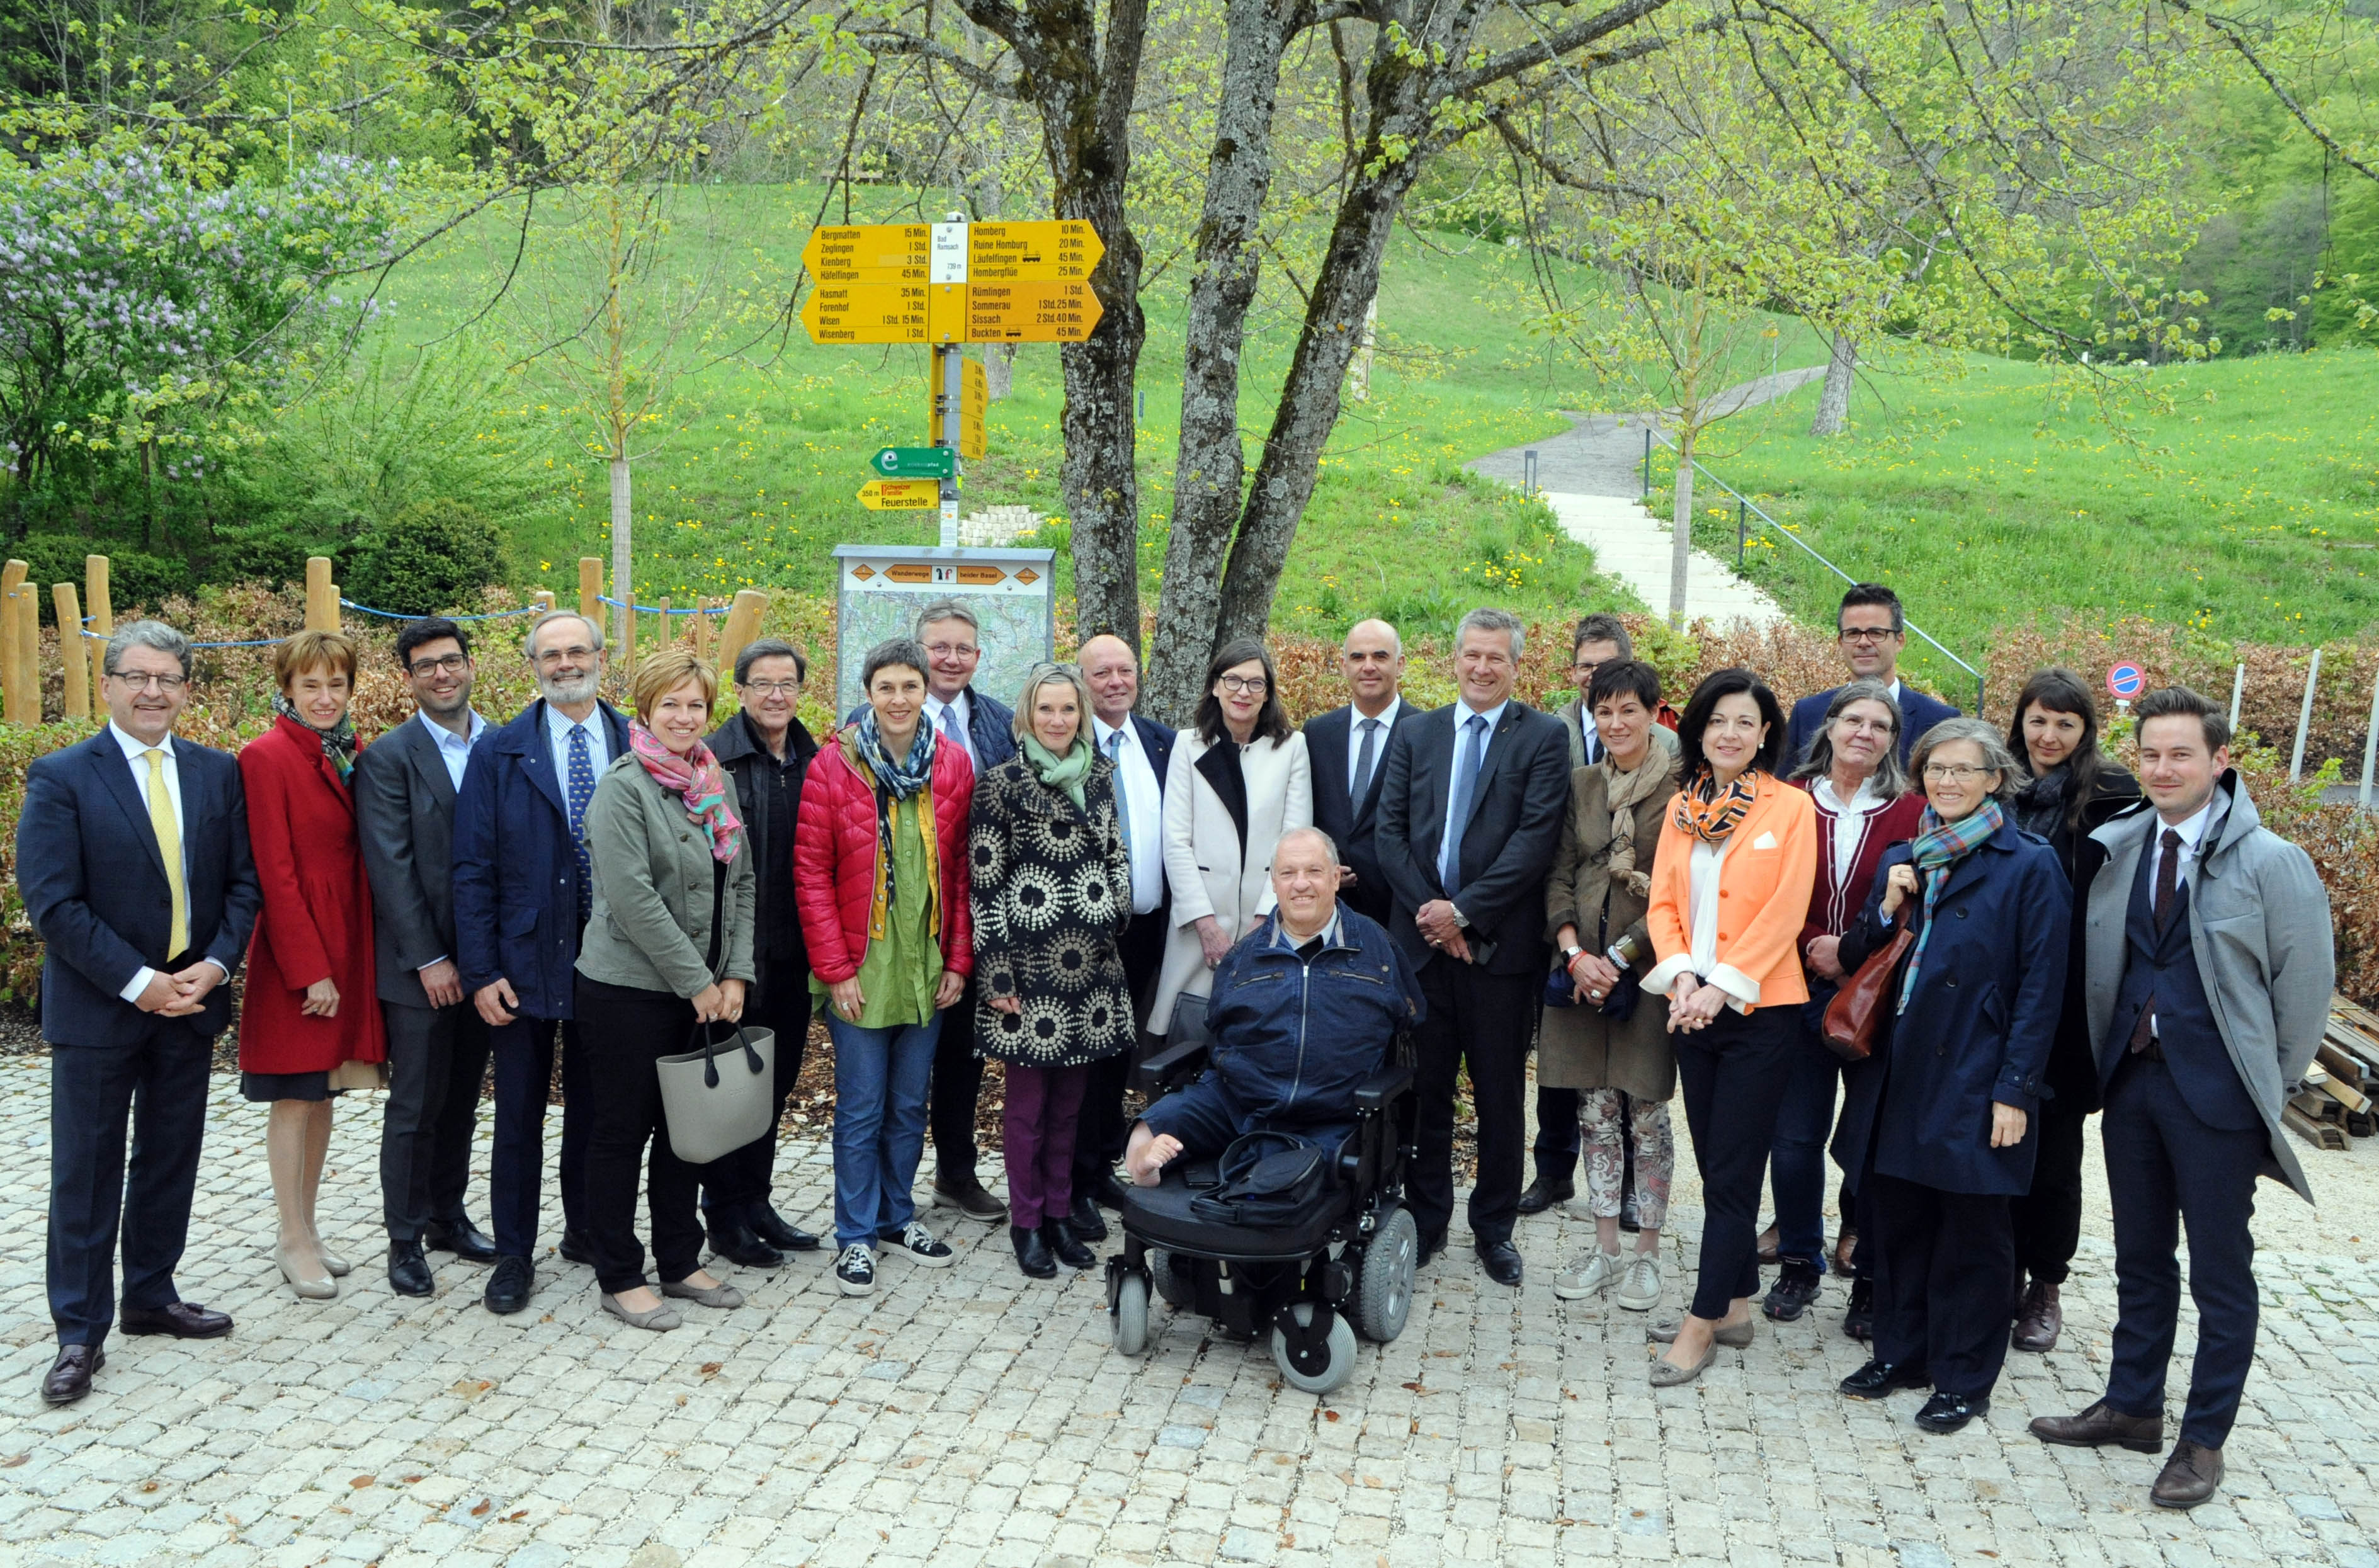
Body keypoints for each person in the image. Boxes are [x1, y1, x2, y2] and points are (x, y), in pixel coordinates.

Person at [2030, 686, 2334, 1510]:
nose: (2163, 769)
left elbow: (2303, 994)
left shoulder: (2270, 861)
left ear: (2218, 761)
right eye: (2152, 754)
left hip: (2218, 1095)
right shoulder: (2116, 844)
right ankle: (2131, 1403)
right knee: (2138, 1257)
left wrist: (2258, 1080)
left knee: (2219, 1274)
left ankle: (2203, 1439)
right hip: (2131, 1081)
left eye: (2181, 755)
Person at [18, 621, 259, 1406]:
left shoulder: (218, 773)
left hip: (192, 1004)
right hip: (100, 1010)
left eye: (168, 679)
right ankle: (79, 1333)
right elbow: (53, 903)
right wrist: (138, 982)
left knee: (168, 1158)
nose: (153, 691)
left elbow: (243, 887)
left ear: (187, 689)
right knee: (85, 1175)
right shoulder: (61, 776)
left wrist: (215, 966)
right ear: (111, 684)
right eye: (137, 677)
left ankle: (150, 1297)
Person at [1832, 718, 2067, 1435]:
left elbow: (2041, 986)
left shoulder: (2028, 863)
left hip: (1975, 1070)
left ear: (1995, 779)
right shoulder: (1905, 856)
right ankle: (1902, 1354)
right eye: (1936, 769)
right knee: (1897, 1221)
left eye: (1964, 770)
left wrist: (2014, 1089)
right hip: (1900, 1068)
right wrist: (1886, 904)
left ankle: (1965, 1377)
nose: (1948, 782)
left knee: (1973, 1232)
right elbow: (1860, 956)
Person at [1375, 608, 1570, 1287]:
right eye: (1472, 656)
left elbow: (1534, 841)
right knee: (1425, 1095)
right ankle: (1428, 1222)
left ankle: (1493, 1229)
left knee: (1496, 1099)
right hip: (1423, 955)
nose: (1482, 668)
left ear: (1517, 665)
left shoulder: (1544, 737)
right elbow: (1389, 834)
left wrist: (1463, 913)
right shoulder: (1416, 732)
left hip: (1498, 956)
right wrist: (1434, 917)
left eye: (1497, 658)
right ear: (1452, 659)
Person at [1640, 668, 1817, 1385]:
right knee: (1719, 1165)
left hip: (1759, 1012)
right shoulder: (1683, 806)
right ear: (1698, 732)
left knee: (1734, 1176)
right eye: (1717, 721)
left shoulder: (1789, 808)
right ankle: (1737, 1305)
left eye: (1744, 721)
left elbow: (1785, 912)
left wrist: (1719, 987)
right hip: (1691, 1009)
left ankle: (1700, 1322)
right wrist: (1683, 975)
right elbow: (1661, 904)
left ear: (1765, 732)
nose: (1729, 733)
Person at [572, 646, 757, 1331]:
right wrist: (697, 984)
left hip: (707, 987)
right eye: (670, 704)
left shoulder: (715, 780)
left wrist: (734, 971)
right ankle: (619, 1274)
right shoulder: (623, 788)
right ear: (646, 710)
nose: (684, 716)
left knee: (690, 1135)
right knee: (622, 1133)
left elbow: (741, 881)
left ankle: (680, 1260)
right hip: (628, 991)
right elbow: (632, 900)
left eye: (696, 704)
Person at [452, 610, 631, 1315]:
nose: (565, 664)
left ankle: (586, 1231)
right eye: (550, 655)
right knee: (519, 1117)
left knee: (599, 1111)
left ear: (600, 657)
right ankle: (513, 1255)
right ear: (533, 666)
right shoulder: (499, 752)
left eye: (576, 651)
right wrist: (480, 971)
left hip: (613, 965)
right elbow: (470, 871)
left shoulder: (634, 740)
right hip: (521, 965)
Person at [798, 637, 972, 1297]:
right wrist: (835, 969)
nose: (898, 700)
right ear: (867, 694)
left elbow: (960, 870)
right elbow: (811, 873)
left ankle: (899, 1217)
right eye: (885, 688)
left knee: (908, 1104)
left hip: (925, 966)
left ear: (926, 692)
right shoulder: (834, 767)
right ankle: (855, 1235)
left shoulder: (951, 766)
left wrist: (958, 959)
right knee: (862, 1107)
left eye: (909, 687)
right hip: (862, 966)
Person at [1127, 827, 1422, 1182]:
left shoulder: (1378, 950)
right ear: (1275, 884)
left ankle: (1262, 1183)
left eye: (1313, 871)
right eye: (1288, 873)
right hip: (1239, 1102)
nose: (1301, 884)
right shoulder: (1243, 956)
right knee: (1152, 1128)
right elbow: (1218, 1029)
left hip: (1329, 1113)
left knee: (1289, 1185)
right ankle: (1146, 1168)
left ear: (1334, 878)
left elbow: (1410, 1020)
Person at [968, 662, 1135, 1279]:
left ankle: (1062, 1214)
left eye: (1069, 710)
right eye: (1047, 710)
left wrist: (1115, 906)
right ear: (1027, 716)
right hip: (1029, 973)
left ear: (1082, 715)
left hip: (1091, 970)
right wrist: (997, 975)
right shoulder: (1002, 783)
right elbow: (984, 884)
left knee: (1072, 1107)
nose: (1058, 720)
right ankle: (1028, 1221)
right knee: (1027, 1110)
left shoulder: (1099, 775)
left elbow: (1116, 850)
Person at [236, 628, 388, 1302]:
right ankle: (290, 1237)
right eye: (311, 686)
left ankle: (309, 1227)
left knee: (325, 1090)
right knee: (294, 1094)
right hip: (302, 947)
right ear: (287, 690)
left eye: (337, 685)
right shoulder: (265, 756)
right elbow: (274, 870)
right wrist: (308, 969)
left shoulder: (351, 749)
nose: (326, 698)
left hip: (350, 935)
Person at [1768, 680, 1923, 1331]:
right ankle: (1798, 1262)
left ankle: (1868, 1275)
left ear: (1893, 740)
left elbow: (1917, 903)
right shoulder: (1788, 801)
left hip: (1877, 997)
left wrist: (1854, 953)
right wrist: (1814, 946)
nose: (1865, 732)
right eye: (1852, 720)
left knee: (1868, 1141)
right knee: (1795, 1138)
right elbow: (1763, 891)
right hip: (1797, 988)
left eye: (1879, 725)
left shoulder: (1912, 811)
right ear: (1828, 727)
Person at [353, 616, 498, 1301]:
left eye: (451, 662)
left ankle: (448, 1217)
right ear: (409, 680)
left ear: (471, 666)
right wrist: (430, 959)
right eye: (426, 667)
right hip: (424, 970)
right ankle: (404, 1240)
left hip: (489, 966)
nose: (442, 675)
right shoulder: (388, 758)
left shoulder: (501, 744)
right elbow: (391, 869)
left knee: (463, 1100)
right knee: (415, 1105)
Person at [1523, 613, 1682, 1217]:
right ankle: (1604, 1227)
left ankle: (1647, 1229)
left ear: (1653, 713)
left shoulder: (1678, 786)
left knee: (1643, 1109)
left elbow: (1676, 886)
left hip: (1644, 963)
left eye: (1629, 711)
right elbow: (1559, 869)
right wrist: (1574, 953)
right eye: (1604, 711)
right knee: (1591, 1106)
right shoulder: (1583, 783)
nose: (1615, 723)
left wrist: (1618, 958)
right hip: (1579, 961)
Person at [2002, 668, 2139, 1353]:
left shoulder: (2112, 798)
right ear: (2019, 721)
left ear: (2085, 730)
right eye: (2037, 719)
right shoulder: (1994, 786)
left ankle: (2044, 1285)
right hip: (1996, 998)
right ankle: (1995, 1270)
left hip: (2067, 1008)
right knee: (1989, 1143)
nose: (2048, 735)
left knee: (2053, 1156)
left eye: (2065, 723)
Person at [700, 637, 824, 1267]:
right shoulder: (714, 760)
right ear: (741, 690)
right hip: (734, 963)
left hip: (795, 956)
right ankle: (723, 1216)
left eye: (787, 685)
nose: (776, 696)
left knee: (773, 1087)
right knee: (732, 1093)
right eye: (763, 684)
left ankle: (757, 1201)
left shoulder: (815, 758)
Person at [1148, 638, 1314, 1038]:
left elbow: (1294, 843)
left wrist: (1265, 921)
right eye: (1233, 680)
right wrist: (1205, 924)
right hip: (1198, 921)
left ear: (1268, 693)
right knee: (1189, 1037)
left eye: (1256, 683)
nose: (1244, 692)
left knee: (1258, 1033)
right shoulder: (1187, 746)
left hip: (1268, 920)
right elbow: (1175, 841)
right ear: (1215, 686)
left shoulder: (1291, 748)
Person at [913, 598, 1018, 1226]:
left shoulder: (1001, 725)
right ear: (918, 650)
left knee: (961, 1053)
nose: (951, 659)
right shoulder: (877, 717)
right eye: (939, 646)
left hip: (975, 915)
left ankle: (956, 1172)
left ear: (978, 658)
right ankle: (882, 1181)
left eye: (963, 649)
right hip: (899, 917)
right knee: (896, 1055)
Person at [1072, 632, 1176, 1238]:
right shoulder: (1064, 743)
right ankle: (1074, 1179)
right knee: (1083, 1059)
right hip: (1080, 936)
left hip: (1146, 929)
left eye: (1125, 670)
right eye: (1102, 672)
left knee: (1118, 1055)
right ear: (1083, 682)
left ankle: (1102, 1161)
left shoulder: (1160, 742)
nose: (1116, 681)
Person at [1304, 618, 1417, 929]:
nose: (1368, 666)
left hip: (1399, 910)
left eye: (1380, 656)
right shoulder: (1317, 733)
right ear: (1343, 666)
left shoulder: (1427, 733)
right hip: (1327, 909)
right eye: (1358, 657)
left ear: (1401, 664)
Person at [1781, 584, 1960, 771]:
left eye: (1876, 633)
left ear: (1900, 641)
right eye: (1853, 633)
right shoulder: (1808, 713)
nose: (1863, 642)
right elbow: (1785, 789)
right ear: (1840, 643)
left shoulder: (1938, 720)